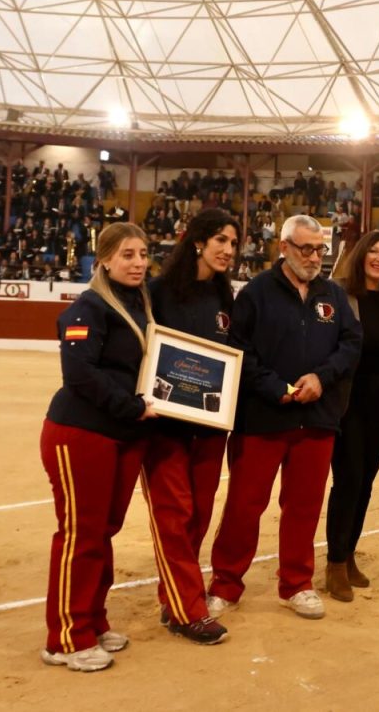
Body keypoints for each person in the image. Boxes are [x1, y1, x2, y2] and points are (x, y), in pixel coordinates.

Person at [207, 215, 361, 621]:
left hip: (317, 420)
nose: (314, 257)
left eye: (320, 249)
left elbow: (351, 343)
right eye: (306, 248)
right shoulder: (256, 293)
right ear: (284, 247)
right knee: (244, 506)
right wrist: (276, 387)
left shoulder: (333, 294)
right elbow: (239, 350)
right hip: (262, 419)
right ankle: (225, 583)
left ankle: (297, 583)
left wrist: (321, 378)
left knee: (304, 507)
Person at [39, 223, 156, 672]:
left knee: (101, 532)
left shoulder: (137, 303)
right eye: (127, 254)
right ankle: (66, 638)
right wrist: (132, 408)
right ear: (104, 259)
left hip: (120, 434)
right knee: (80, 534)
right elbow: (79, 374)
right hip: (80, 433)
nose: (138, 262)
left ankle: (91, 619)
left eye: (143, 253)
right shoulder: (88, 306)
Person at [142, 209, 237, 645]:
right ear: (198, 241)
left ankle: (174, 596)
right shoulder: (157, 292)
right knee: (174, 516)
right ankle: (188, 609)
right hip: (164, 427)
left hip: (209, 426)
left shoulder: (224, 296)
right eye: (220, 240)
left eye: (233, 243)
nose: (228, 250)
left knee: (197, 513)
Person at [324, 230, 379, 602]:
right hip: (348, 403)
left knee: (366, 482)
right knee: (348, 480)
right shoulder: (339, 293)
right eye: (374, 251)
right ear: (361, 254)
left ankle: (349, 553)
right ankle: (335, 562)